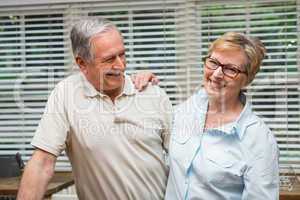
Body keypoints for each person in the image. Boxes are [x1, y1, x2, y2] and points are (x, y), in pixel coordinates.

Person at [17, 18, 172, 200]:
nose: (121, 66)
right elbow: (42, 162)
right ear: (82, 63)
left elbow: (183, 159)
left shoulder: (152, 94)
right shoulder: (66, 94)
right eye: (109, 59)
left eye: (122, 54)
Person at [134, 32, 279, 199]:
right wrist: (142, 84)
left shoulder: (259, 141)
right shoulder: (185, 111)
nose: (216, 74)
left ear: (247, 80)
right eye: (213, 62)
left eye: (231, 69)